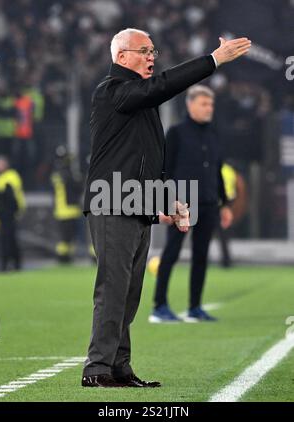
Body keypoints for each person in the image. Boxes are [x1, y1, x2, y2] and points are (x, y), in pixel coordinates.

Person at [82, 28, 251, 388]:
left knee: (129, 294)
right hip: (111, 203)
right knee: (113, 289)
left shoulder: (138, 103)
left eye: (153, 51)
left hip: (132, 204)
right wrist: (213, 61)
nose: (151, 57)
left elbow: (140, 163)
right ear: (121, 57)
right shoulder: (113, 91)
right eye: (144, 51)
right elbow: (160, 86)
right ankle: (97, 368)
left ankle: (119, 367)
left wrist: (164, 203)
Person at [149, 85, 233, 323]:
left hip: (208, 203)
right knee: (172, 252)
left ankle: (195, 307)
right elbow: (163, 169)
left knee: (201, 255)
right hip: (182, 203)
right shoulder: (176, 133)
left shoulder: (213, 134)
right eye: (204, 104)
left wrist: (224, 204)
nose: (209, 109)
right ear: (190, 104)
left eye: (211, 105)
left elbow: (218, 171)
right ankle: (159, 306)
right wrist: (165, 202)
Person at [51, 146, 82, 263]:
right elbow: (77, 187)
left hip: (60, 209)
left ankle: (64, 256)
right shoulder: (67, 173)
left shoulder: (56, 173)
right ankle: (64, 257)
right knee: (68, 236)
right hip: (69, 209)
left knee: (64, 236)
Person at [0, 156, 25, 271]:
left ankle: (7, 264)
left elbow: (8, 196)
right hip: (5, 213)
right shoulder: (3, 177)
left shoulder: (9, 176)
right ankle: (14, 264)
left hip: (9, 213)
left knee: (7, 240)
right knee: (9, 239)